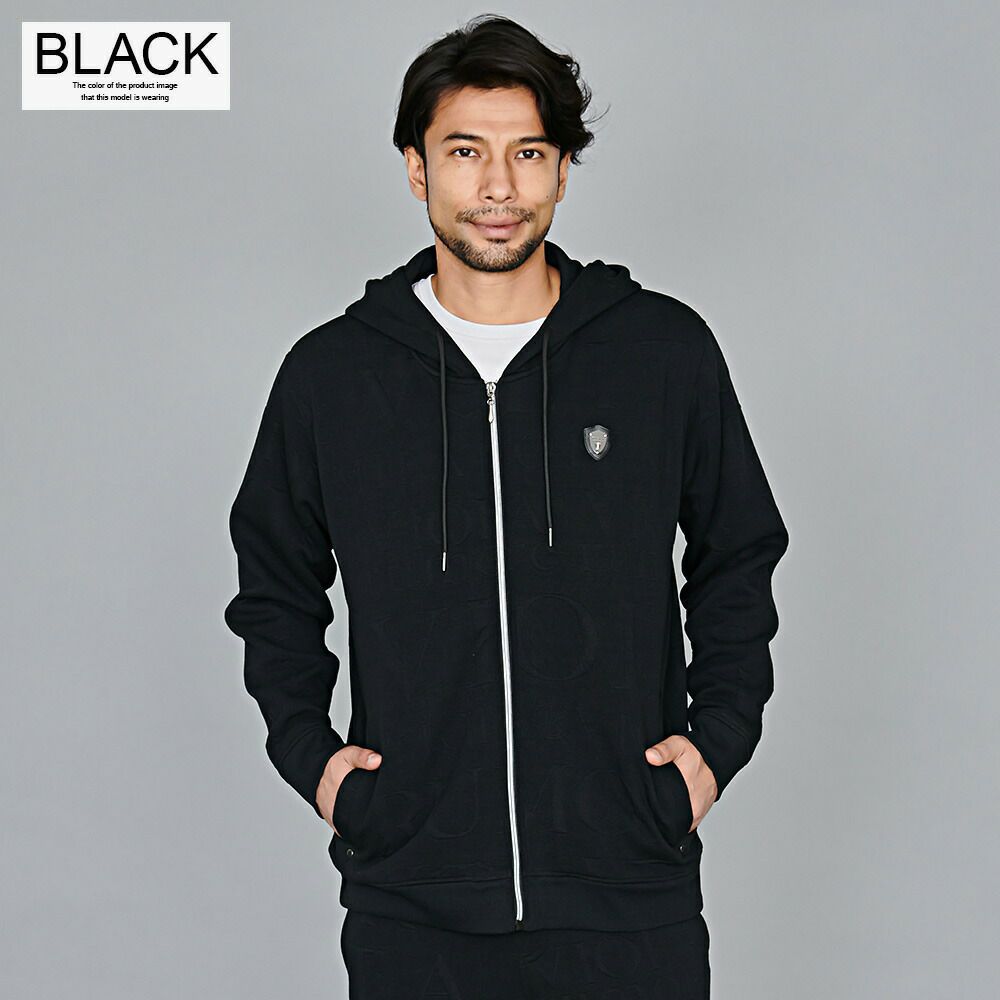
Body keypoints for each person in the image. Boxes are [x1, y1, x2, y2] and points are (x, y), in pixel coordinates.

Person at [224, 14, 789, 999]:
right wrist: (318, 764)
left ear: (563, 170)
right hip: (414, 906)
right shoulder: (332, 376)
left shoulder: (660, 352)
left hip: (630, 897)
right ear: (416, 169)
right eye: (464, 152)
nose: (497, 187)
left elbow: (737, 552)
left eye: (527, 152)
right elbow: (274, 583)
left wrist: (713, 747)